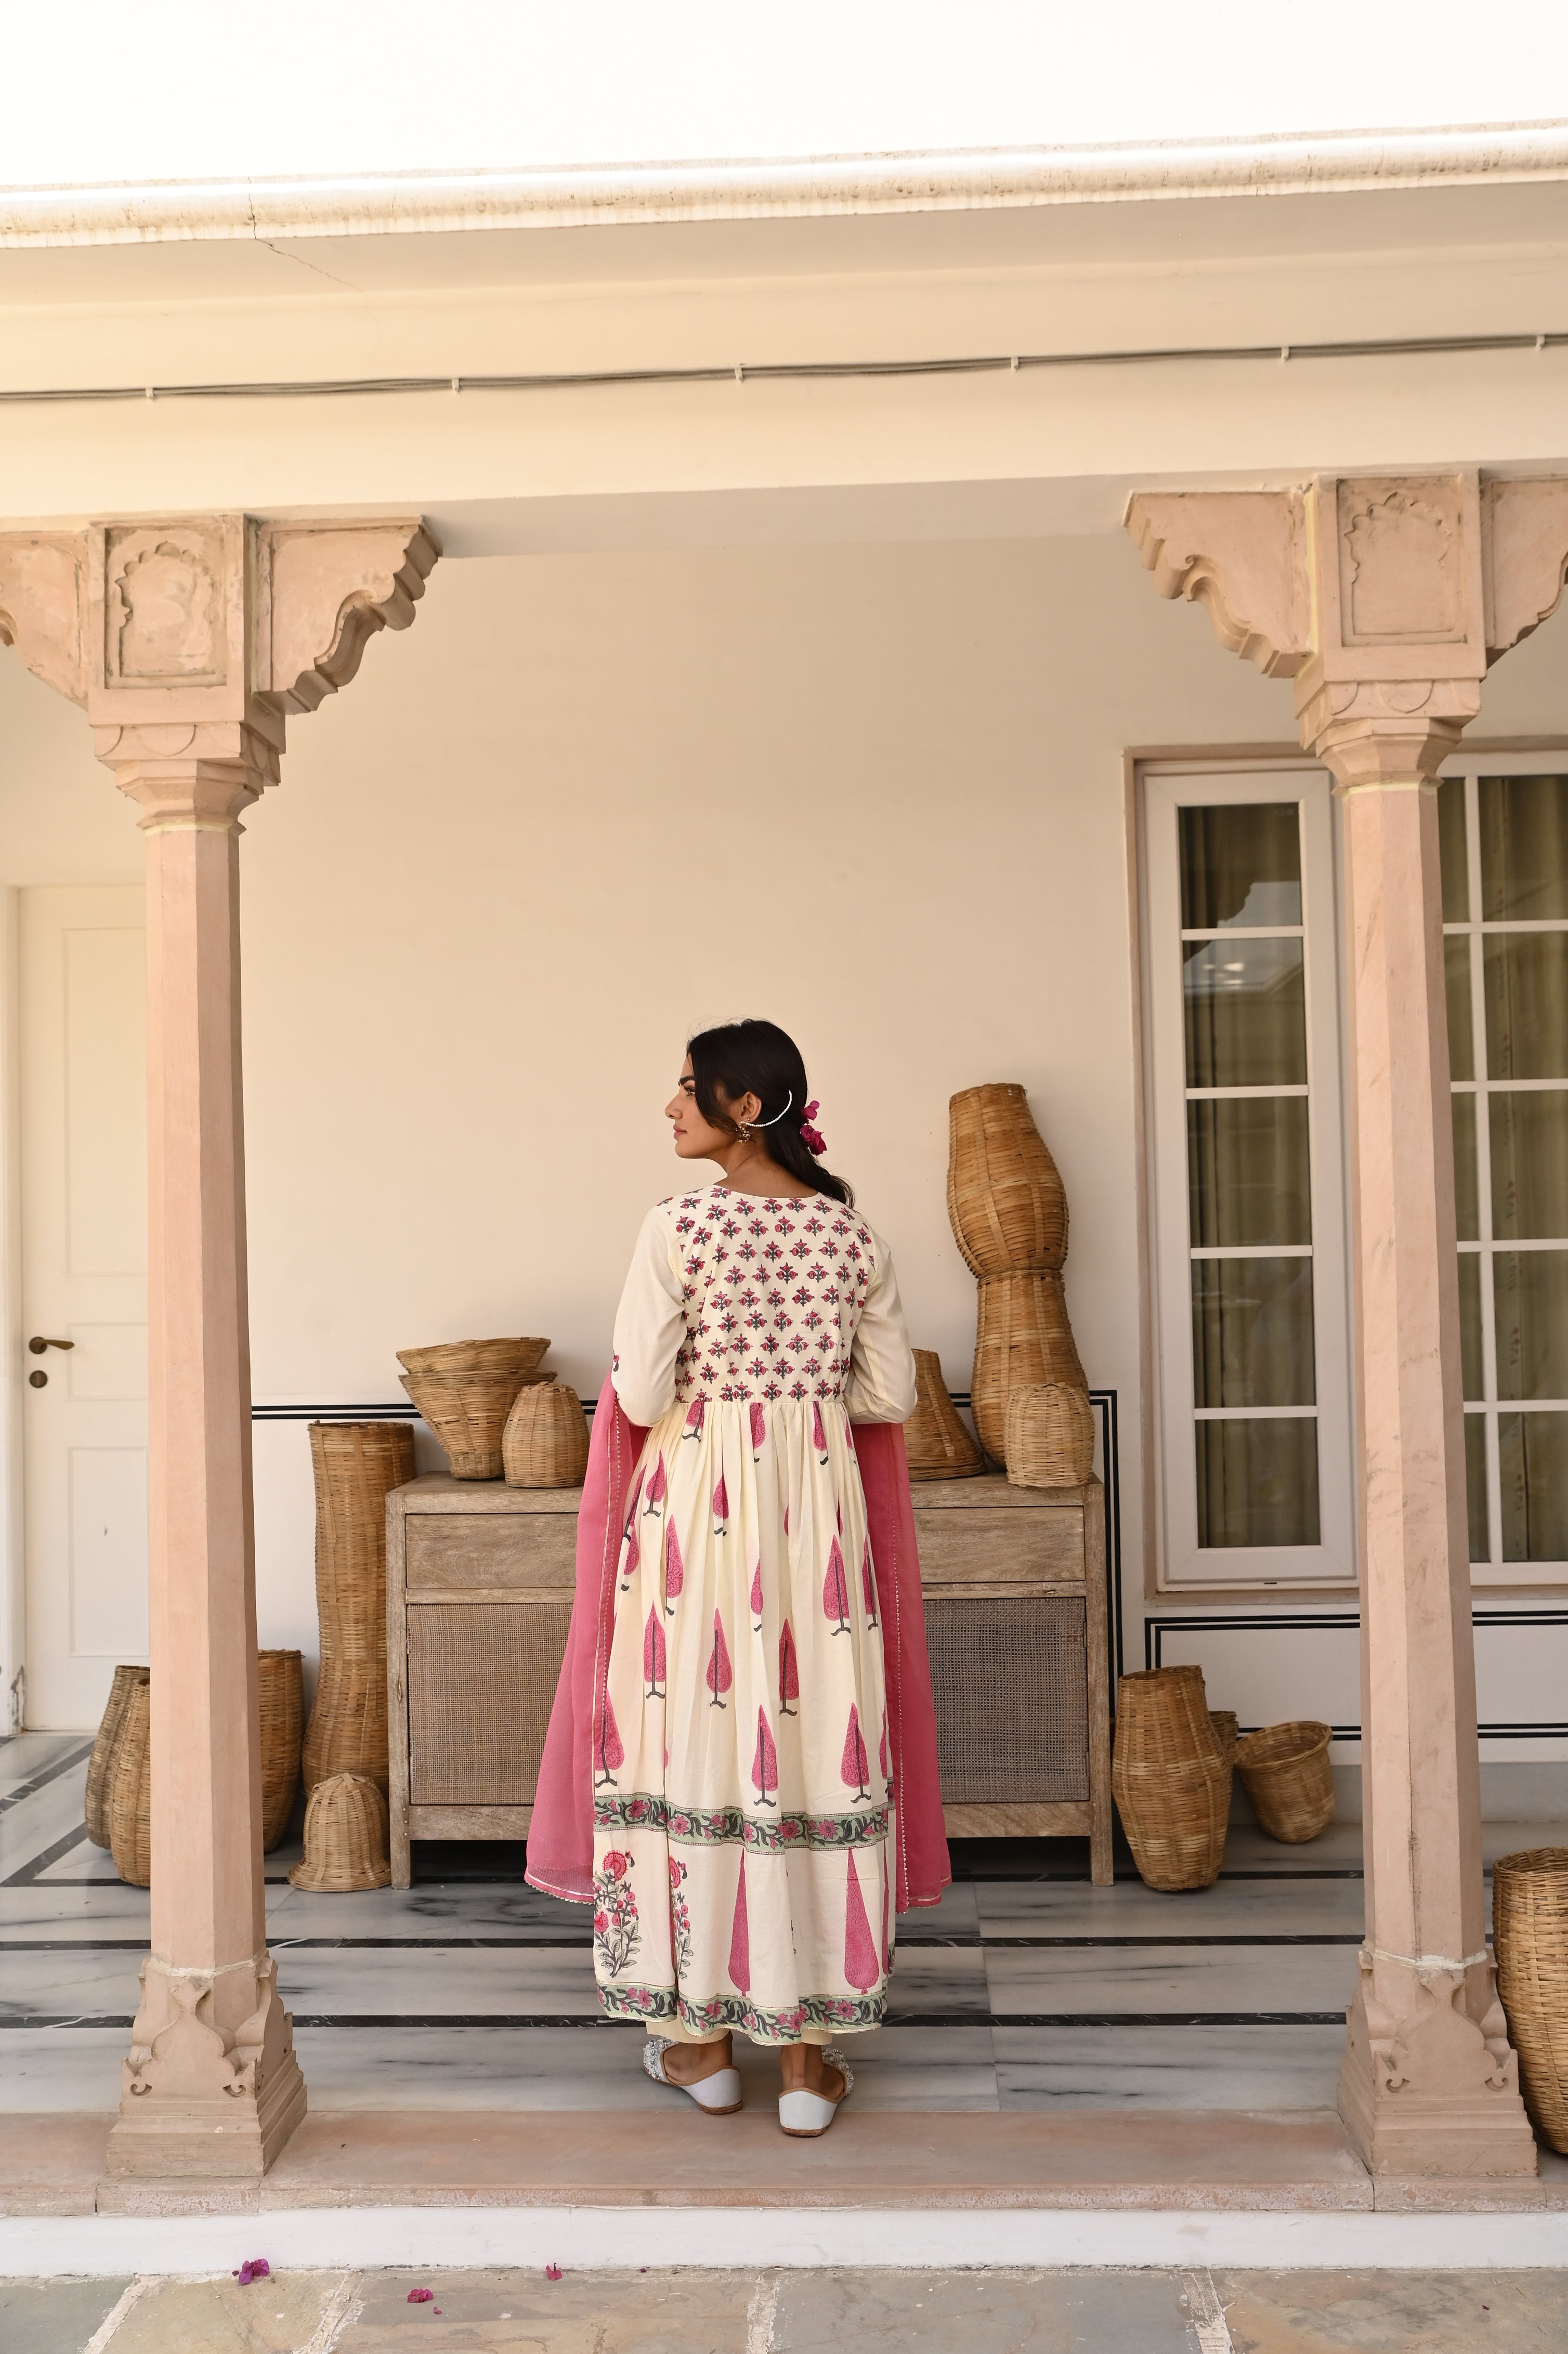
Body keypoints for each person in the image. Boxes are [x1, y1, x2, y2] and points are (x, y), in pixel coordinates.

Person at [527, 1019, 948, 2137]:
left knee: (692, 1737)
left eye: (687, 1091)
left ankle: (700, 2044)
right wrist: (796, 1404)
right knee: (813, 1741)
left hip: (695, 1524)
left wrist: (725, 1405)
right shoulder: (851, 1236)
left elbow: (639, 1385)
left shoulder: (677, 1228)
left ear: (746, 1107)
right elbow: (890, 1398)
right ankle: (808, 2066)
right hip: (815, 1520)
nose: (669, 1108)